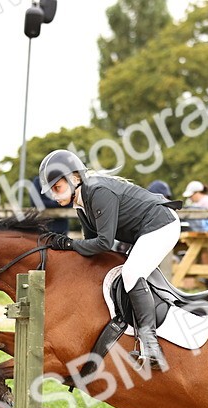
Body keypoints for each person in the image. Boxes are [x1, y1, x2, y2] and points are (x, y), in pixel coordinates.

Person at [38, 149, 182, 372]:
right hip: (145, 230)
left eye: (57, 188)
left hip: (161, 225)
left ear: (74, 177)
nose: (55, 196)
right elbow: (91, 247)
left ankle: (151, 346)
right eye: (52, 192)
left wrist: (67, 244)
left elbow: (104, 243)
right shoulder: (81, 203)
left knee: (132, 273)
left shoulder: (97, 191)